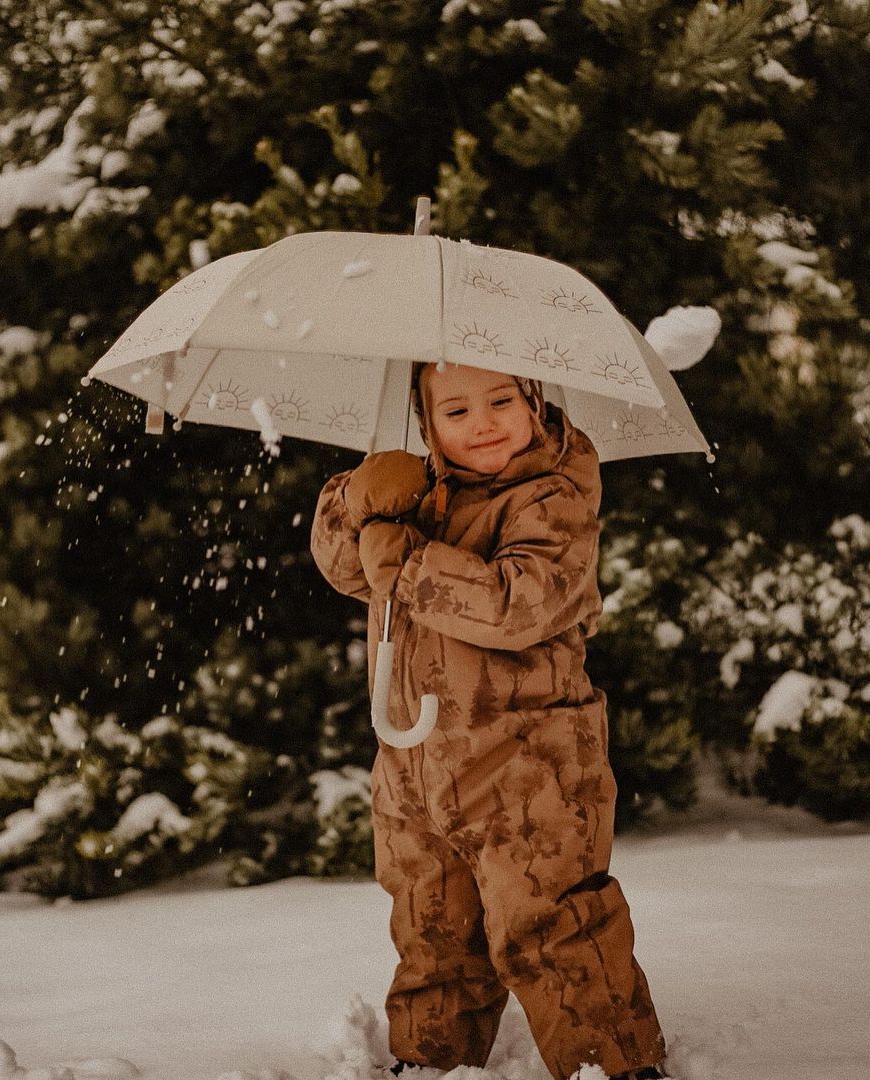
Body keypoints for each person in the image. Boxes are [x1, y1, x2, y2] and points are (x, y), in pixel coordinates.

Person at [310, 361, 667, 1080]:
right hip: (414, 762)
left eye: (502, 400)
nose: (485, 424)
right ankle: (431, 1061)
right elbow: (347, 569)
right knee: (432, 930)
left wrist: (408, 561)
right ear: (428, 423)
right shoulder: (417, 495)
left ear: (535, 401)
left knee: (550, 923)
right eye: (458, 411)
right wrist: (356, 503)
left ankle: (614, 1066)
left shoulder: (554, 495)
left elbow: (519, 604)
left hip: (529, 763)